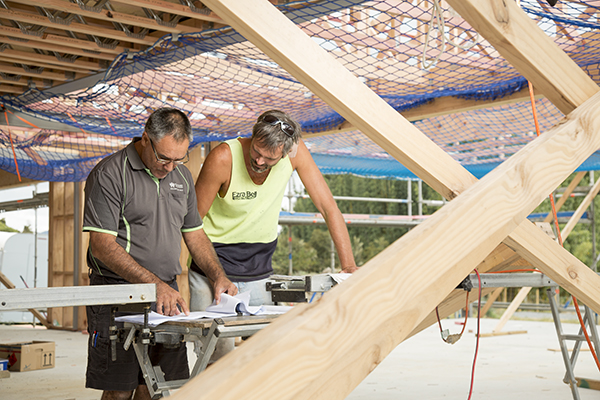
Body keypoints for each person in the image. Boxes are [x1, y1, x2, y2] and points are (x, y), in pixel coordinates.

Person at [82, 107, 237, 400]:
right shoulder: (110, 174)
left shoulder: (181, 177)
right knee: (119, 389)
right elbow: (101, 245)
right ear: (145, 138)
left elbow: (195, 233)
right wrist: (155, 286)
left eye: (179, 158)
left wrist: (218, 276)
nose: (170, 166)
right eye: (164, 157)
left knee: (158, 387)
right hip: (118, 294)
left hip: (167, 293)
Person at [188, 110, 358, 356]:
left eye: (269, 159)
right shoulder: (223, 157)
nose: (259, 162)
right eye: (256, 152)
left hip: (258, 269)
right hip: (211, 266)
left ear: (287, 152)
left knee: (265, 354)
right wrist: (215, 275)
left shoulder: (296, 155)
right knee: (215, 357)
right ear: (253, 135)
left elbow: (328, 207)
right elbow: (192, 223)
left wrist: (349, 266)